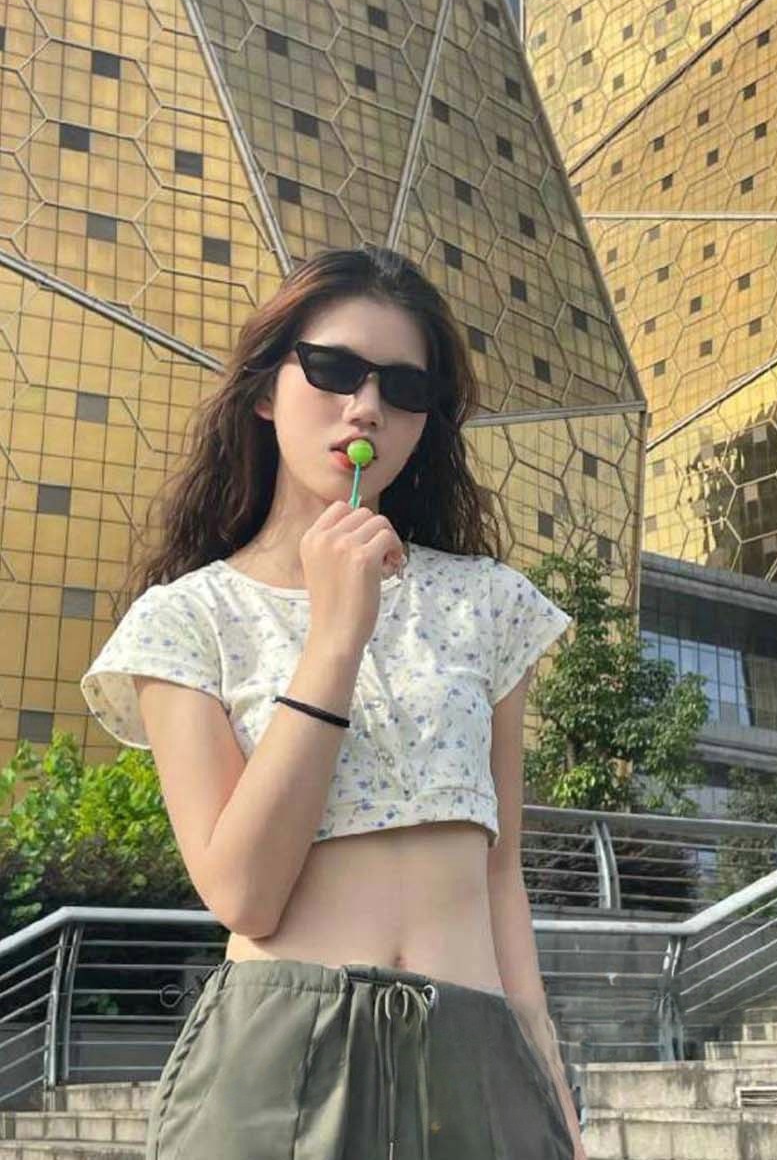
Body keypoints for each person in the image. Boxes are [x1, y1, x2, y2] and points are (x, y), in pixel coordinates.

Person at [80, 245, 582, 1159]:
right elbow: (243, 893)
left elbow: (500, 872)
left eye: (405, 387)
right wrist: (335, 641)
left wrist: (554, 1097)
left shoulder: (487, 601)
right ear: (266, 390)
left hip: (474, 1059)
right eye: (334, 369)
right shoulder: (188, 619)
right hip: (280, 1061)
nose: (366, 407)